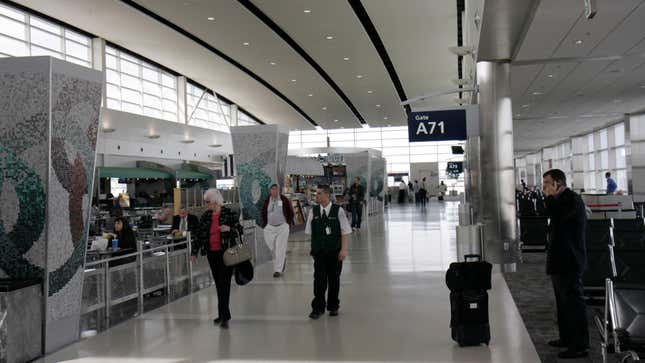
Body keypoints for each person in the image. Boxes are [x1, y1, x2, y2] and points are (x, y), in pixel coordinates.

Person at [542, 169, 589, 359]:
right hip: (559, 259)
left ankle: (579, 345)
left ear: (558, 184)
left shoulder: (572, 200)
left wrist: (550, 198)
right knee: (562, 303)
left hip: (570, 259)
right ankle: (566, 337)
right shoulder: (561, 199)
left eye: (547, 183)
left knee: (573, 303)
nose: (544, 186)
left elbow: (558, 217)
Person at [191, 188, 242, 329]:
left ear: (215, 201)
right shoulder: (206, 216)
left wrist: (229, 229)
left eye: (208, 202)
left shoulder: (228, 213)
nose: (206, 204)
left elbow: (240, 230)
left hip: (226, 253)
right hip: (212, 254)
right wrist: (194, 252)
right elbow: (199, 235)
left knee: (224, 283)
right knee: (219, 284)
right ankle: (222, 314)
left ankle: (225, 316)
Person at [305, 185, 352, 319]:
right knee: (319, 280)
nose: (317, 196)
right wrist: (313, 248)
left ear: (327, 195)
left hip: (335, 252)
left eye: (319, 194)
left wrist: (343, 250)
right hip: (319, 252)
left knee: (334, 280)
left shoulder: (338, 211)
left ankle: (333, 306)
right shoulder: (313, 212)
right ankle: (318, 308)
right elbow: (310, 232)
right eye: (316, 194)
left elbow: (345, 232)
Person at [261, 184, 295, 278]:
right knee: (271, 247)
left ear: (278, 190)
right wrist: (265, 224)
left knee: (280, 248)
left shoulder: (283, 199)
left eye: (276, 189)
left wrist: (287, 223)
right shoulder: (267, 200)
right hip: (270, 227)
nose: (275, 191)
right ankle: (282, 258)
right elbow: (263, 212)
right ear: (270, 191)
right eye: (273, 189)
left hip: (282, 227)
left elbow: (290, 212)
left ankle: (278, 270)